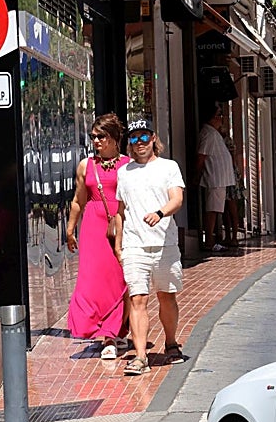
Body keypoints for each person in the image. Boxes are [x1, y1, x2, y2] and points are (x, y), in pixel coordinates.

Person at [114, 118, 186, 377]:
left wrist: (160, 212)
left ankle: (170, 342)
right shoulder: (124, 172)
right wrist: (119, 245)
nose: (140, 142)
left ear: (154, 138)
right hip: (134, 245)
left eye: (144, 136)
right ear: (129, 143)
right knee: (137, 298)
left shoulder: (169, 167)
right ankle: (141, 356)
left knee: (166, 296)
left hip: (164, 243)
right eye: (134, 138)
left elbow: (177, 198)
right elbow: (120, 211)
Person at [66, 113, 130, 360]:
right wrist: (70, 229)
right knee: (92, 282)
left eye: (101, 136)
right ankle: (106, 333)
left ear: (114, 138)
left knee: (118, 281)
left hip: (119, 224)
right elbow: (78, 200)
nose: (96, 141)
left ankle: (113, 333)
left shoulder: (127, 164)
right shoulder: (86, 165)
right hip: (93, 226)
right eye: (93, 137)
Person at [196, 104, 234, 252]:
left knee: (215, 209)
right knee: (212, 209)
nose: (221, 118)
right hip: (215, 178)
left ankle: (212, 239)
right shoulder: (208, 133)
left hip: (220, 178)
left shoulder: (213, 133)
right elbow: (201, 156)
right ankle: (210, 242)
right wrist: (196, 175)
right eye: (218, 115)